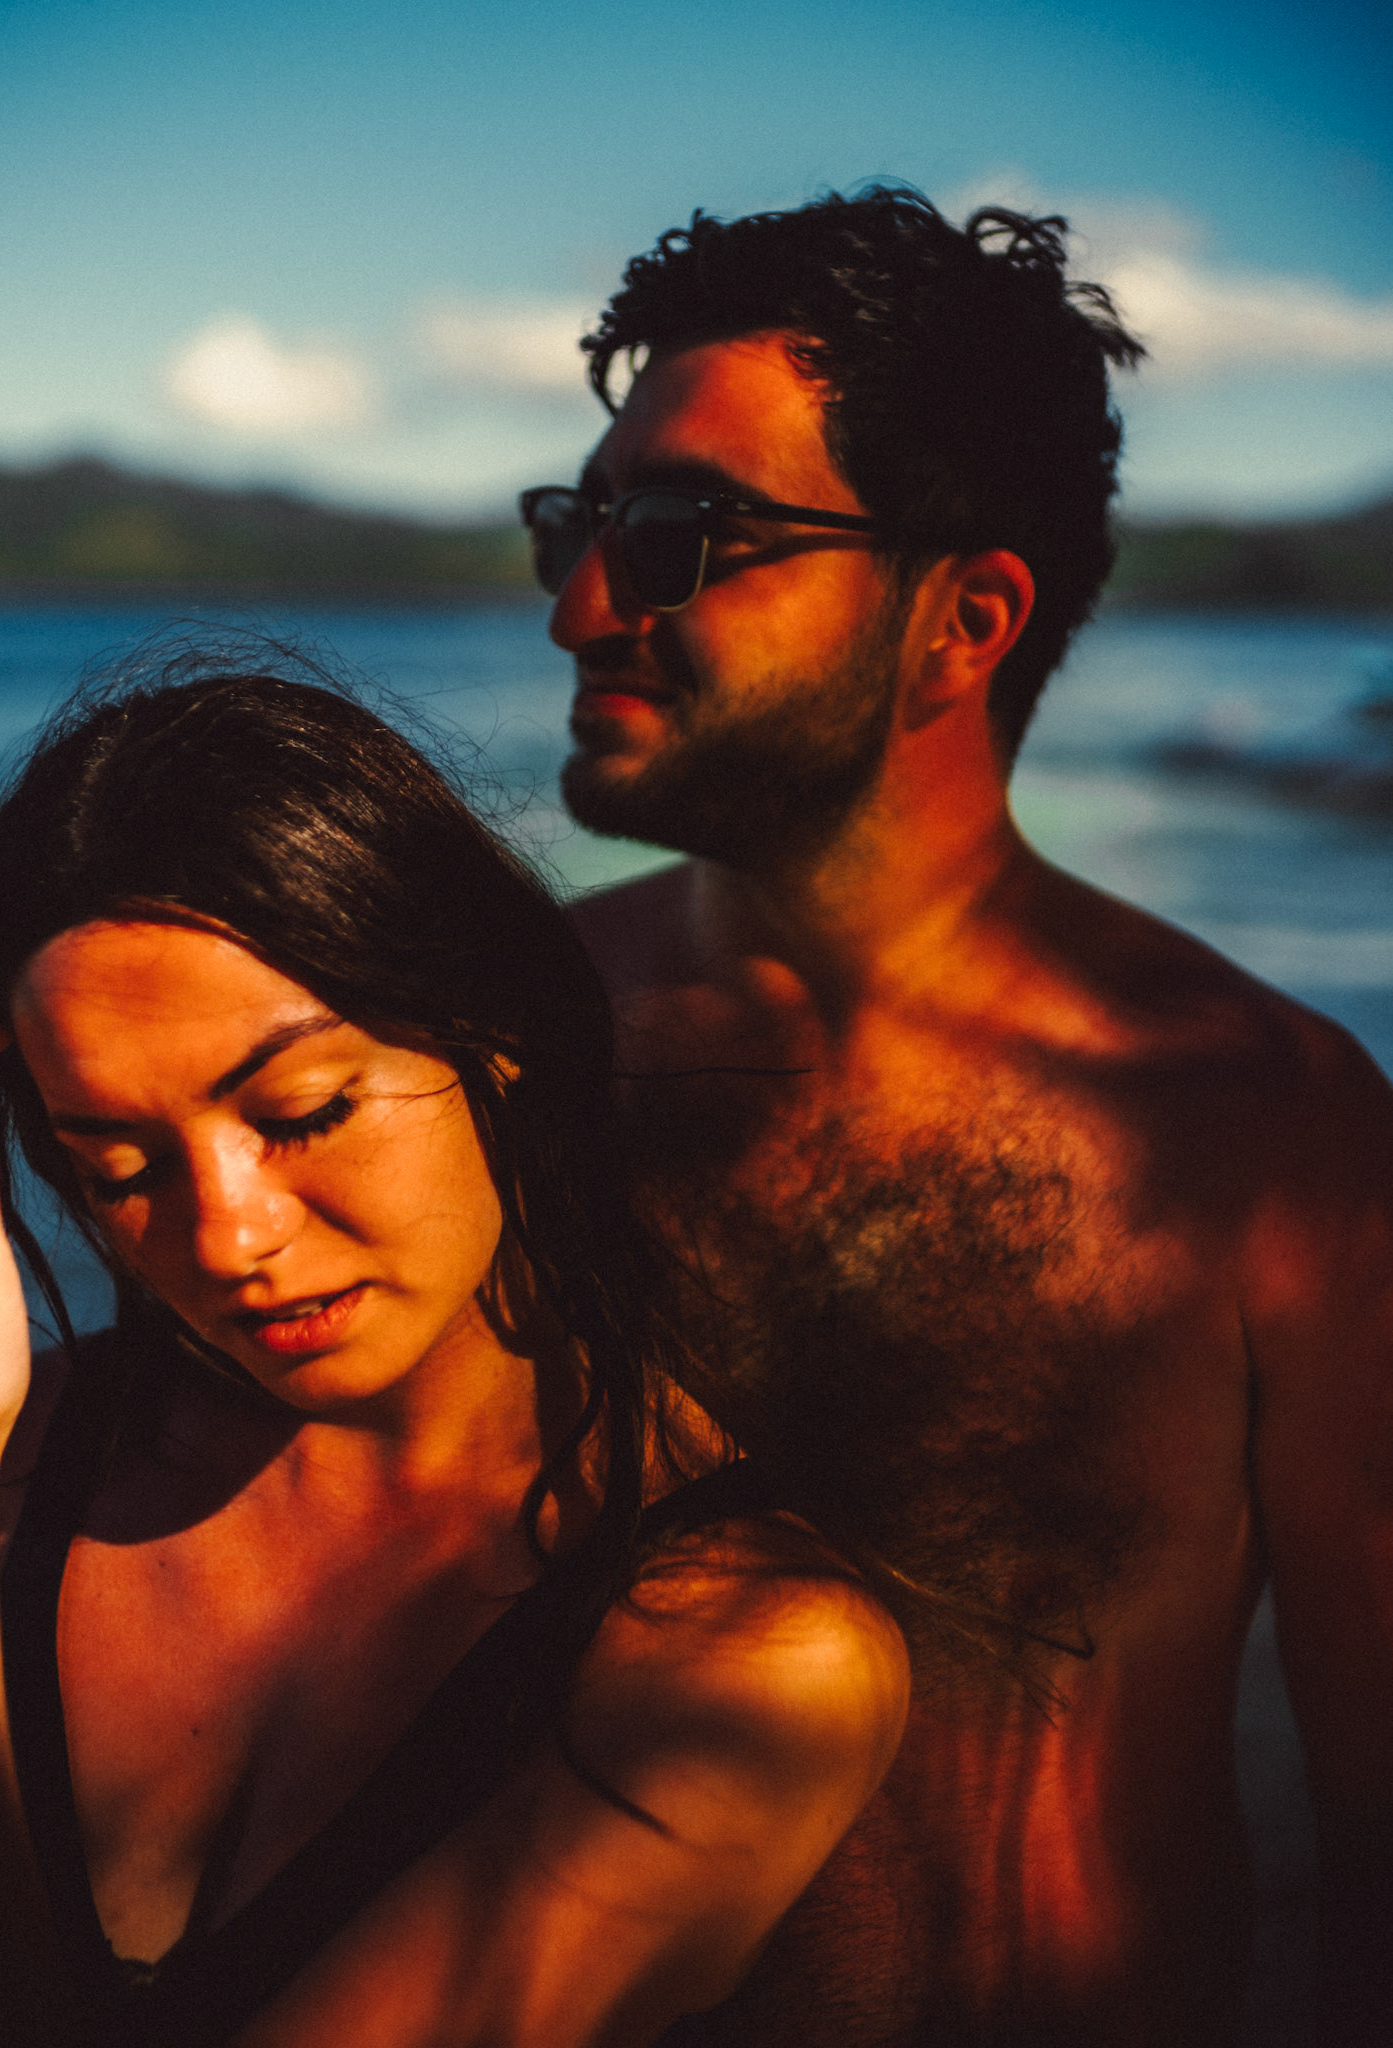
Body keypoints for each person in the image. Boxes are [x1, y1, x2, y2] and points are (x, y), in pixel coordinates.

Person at [523, 187, 1393, 2045]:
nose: (582, 605)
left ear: (961, 618)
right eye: (583, 523)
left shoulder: (1255, 1134)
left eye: (679, 536)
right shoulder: (498, 1056)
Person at [0, 659, 909, 2048]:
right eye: (114, 1165)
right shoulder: (36, 1468)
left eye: (302, 1112)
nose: (226, 1237)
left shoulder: (734, 1659)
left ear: (495, 1035)